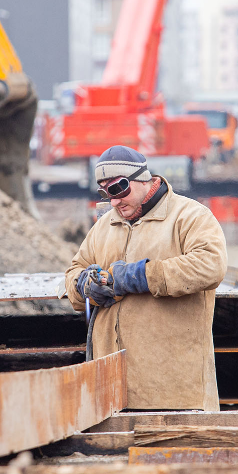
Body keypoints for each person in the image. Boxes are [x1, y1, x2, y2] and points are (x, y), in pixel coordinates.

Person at [66, 145, 228, 411]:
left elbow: (210, 265)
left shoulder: (189, 216)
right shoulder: (105, 225)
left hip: (173, 392)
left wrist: (140, 275)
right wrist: (84, 285)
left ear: (144, 179)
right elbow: (74, 270)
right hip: (111, 390)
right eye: (106, 193)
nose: (114, 201)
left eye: (118, 189)